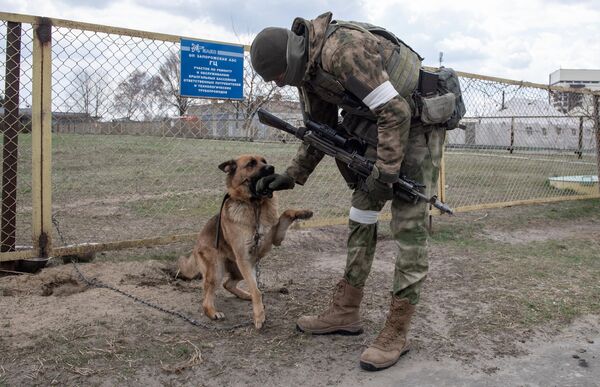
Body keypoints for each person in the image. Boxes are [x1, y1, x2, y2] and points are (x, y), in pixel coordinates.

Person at [250, 11, 449, 372]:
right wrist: (292, 176)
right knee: (361, 213)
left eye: (278, 77)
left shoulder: (342, 50)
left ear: (289, 59)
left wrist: (385, 175)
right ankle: (346, 311)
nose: (279, 85)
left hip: (417, 121)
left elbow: (396, 112)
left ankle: (397, 331)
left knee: (408, 225)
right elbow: (321, 130)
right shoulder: (307, 70)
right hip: (377, 125)